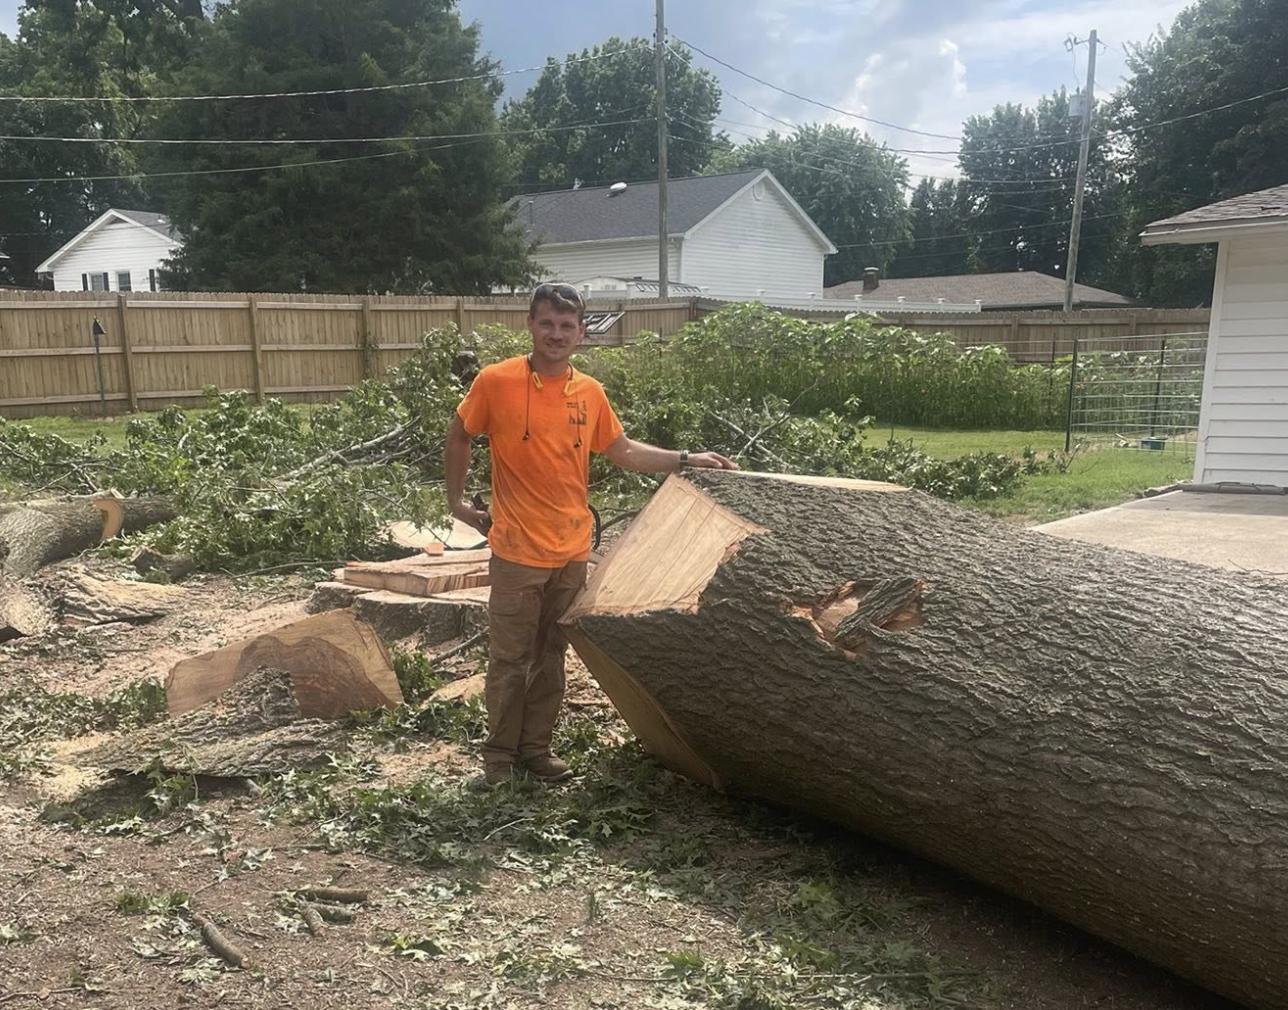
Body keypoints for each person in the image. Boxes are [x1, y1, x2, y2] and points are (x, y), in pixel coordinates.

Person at [444, 281, 737, 787]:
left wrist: (686, 459)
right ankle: (498, 760)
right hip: (516, 550)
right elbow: (459, 435)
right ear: (530, 325)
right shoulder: (496, 381)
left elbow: (622, 450)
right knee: (510, 659)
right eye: (546, 323)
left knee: (551, 656)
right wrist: (456, 504)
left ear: (581, 332)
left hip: (571, 550)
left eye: (566, 326)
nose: (555, 334)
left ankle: (536, 750)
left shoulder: (590, 393)